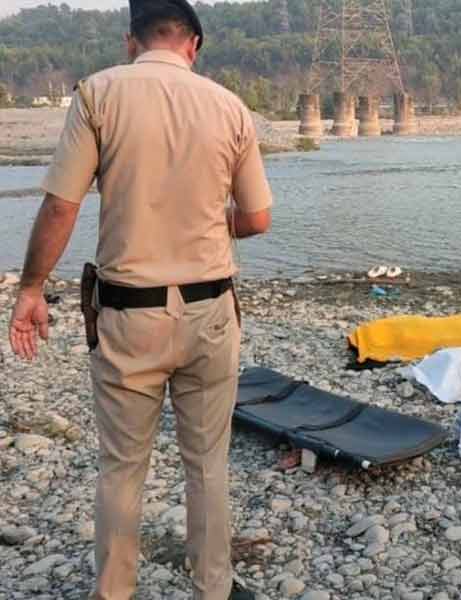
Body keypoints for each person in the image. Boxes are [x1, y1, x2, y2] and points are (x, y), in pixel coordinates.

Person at [7, 1, 272, 598]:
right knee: (207, 466)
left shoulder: (99, 94)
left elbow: (60, 206)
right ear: (193, 46)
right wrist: (207, 217)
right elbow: (256, 218)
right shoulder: (229, 106)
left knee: (123, 468)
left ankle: (114, 591)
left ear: (131, 41)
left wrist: (30, 289)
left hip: (129, 315)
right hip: (209, 313)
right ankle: (213, 587)